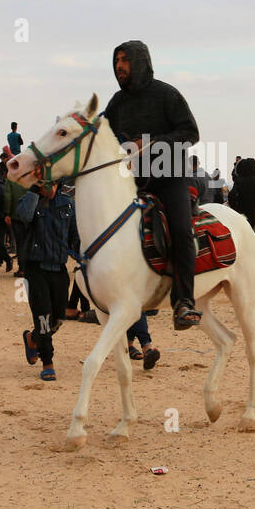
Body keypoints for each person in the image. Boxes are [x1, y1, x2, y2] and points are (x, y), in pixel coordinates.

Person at [104, 40, 203, 330]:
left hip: (169, 178)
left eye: (125, 60)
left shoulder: (166, 94)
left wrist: (147, 144)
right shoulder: (117, 102)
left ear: (139, 62)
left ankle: (184, 302)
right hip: (130, 182)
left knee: (182, 232)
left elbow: (190, 133)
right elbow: (102, 135)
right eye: (116, 60)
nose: (119, 66)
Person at [17, 179, 79, 382]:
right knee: (42, 317)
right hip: (36, 268)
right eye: (44, 185)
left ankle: (32, 339)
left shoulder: (68, 203)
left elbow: (74, 235)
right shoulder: (31, 201)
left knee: (58, 318)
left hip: (59, 268)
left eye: (53, 184)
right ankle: (47, 362)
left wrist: (84, 255)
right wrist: (34, 192)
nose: (49, 189)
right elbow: (23, 216)